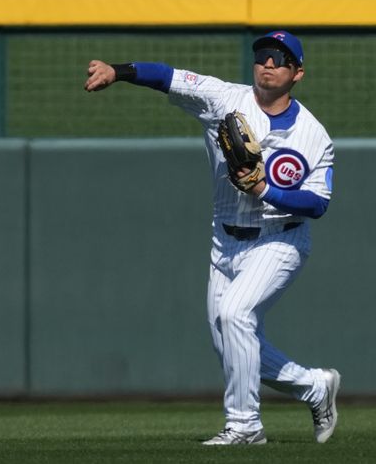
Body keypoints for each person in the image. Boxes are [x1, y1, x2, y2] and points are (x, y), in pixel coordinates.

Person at [84, 30, 340, 446]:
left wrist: (264, 191)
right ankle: (313, 386)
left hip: (281, 239)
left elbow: (317, 203)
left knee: (235, 315)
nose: (268, 63)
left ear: (298, 73)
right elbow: (168, 76)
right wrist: (118, 72)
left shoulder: (313, 135)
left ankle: (245, 427)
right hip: (225, 240)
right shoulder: (223, 98)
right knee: (230, 341)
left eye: (280, 58)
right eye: (262, 55)